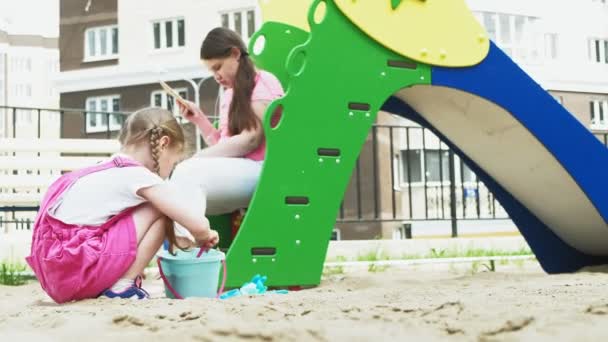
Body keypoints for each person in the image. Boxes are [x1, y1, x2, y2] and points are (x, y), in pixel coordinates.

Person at [25, 107, 219, 303]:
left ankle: (120, 279)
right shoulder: (137, 175)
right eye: (174, 161)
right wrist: (204, 235)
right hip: (79, 269)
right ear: (163, 144)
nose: (170, 170)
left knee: (149, 207)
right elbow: (196, 224)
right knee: (160, 207)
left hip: (55, 275)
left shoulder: (101, 170)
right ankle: (122, 287)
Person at [171, 27, 284, 238]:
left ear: (235, 54)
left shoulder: (264, 82)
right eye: (211, 71)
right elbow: (226, 148)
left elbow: (251, 140)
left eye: (218, 67)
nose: (216, 76)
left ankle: (191, 247)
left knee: (188, 173)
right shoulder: (229, 94)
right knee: (179, 181)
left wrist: (197, 158)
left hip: (264, 171)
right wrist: (200, 121)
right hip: (244, 171)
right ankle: (187, 248)